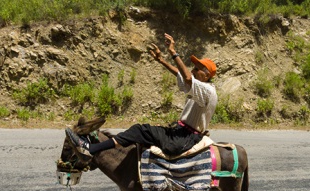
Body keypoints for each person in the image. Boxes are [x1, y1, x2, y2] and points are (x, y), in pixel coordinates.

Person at [65, 33, 217, 159]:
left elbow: (188, 78)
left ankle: (91, 149)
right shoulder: (204, 88)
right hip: (181, 133)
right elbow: (182, 76)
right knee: (146, 131)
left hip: (184, 138)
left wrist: (173, 53)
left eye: (197, 69)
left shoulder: (206, 90)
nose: (193, 70)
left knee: (139, 130)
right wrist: (161, 60)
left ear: (206, 75)